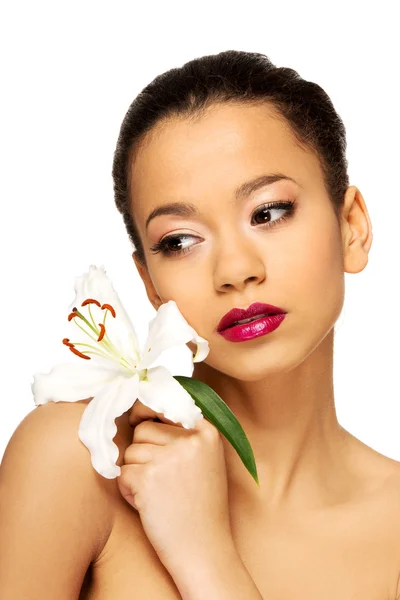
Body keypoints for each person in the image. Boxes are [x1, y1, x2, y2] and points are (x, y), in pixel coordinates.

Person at [1, 49, 399, 599]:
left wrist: (205, 556)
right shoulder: (81, 461)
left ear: (351, 227)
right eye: (179, 242)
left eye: (268, 212)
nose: (235, 271)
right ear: (149, 283)